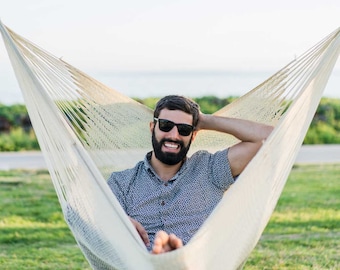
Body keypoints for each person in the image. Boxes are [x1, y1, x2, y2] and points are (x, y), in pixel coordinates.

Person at [107, 95, 273, 254]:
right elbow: (97, 223)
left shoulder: (209, 170)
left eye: (184, 129)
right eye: (165, 125)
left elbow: (270, 138)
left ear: (194, 135)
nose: (173, 135)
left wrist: (206, 120)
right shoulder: (121, 182)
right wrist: (117, 223)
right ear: (152, 128)